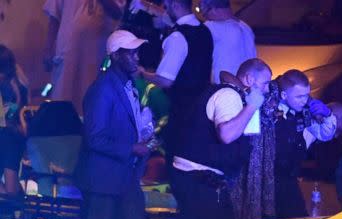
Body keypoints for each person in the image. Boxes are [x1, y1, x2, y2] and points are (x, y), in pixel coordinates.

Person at [168, 58, 271, 219]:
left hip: (199, 177)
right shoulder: (229, 96)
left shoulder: (229, 93)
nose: (267, 89)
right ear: (249, 80)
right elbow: (227, 134)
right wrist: (250, 107)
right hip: (198, 179)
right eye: (265, 83)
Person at [75, 30, 159, 219]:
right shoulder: (103, 88)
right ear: (115, 56)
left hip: (124, 177)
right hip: (103, 179)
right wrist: (132, 148)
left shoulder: (127, 86)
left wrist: (143, 136)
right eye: (130, 52)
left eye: (136, 52)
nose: (136, 57)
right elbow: (94, 137)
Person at [232, 69, 336, 219]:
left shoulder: (304, 113)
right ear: (284, 95)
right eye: (299, 96)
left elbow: (325, 134)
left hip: (289, 182)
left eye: (307, 95)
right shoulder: (264, 109)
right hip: (262, 182)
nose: (304, 100)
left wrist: (327, 114)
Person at [140, 0, 213, 154]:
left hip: (178, 111)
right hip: (200, 107)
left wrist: (141, 73)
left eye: (166, 7)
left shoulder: (177, 36)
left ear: (175, 5)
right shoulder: (205, 31)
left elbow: (165, 80)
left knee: (172, 157)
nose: (164, 12)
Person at [43, 0, 125, 116]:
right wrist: (48, 48)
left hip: (95, 55)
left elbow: (118, 12)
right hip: (67, 51)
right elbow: (54, 15)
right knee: (62, 98)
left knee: (89, 101)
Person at [199, 0, 257, 84]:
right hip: (247, 89)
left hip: (225, 89)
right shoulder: (246, 27)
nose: (204, 17)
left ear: (214, 9)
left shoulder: (211, 27)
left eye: (204, 13)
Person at [0, 45, 28, 197]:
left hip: (8, 137)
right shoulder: (18, 80)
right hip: (14, 137)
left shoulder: (10, 84)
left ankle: (16, 207)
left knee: (10, 191)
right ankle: (19, 207)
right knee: (11, 189)